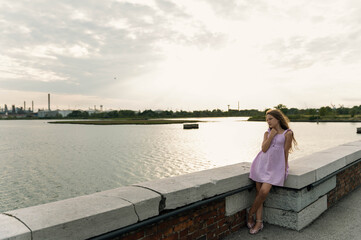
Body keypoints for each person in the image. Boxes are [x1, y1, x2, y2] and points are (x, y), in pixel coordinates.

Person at [247, 109, 297, 234]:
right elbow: (264, 149)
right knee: (259, 193)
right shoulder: (267, 133)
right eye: (266, 119)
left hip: (274, 168)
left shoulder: (287, 133)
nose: (268, 121)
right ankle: (259, 223)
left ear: (278, 119)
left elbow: (285, 152)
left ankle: (250, 214)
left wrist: (285, 169)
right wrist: (272, 135)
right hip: (261, 165)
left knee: (263, 192)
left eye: (270, 119)